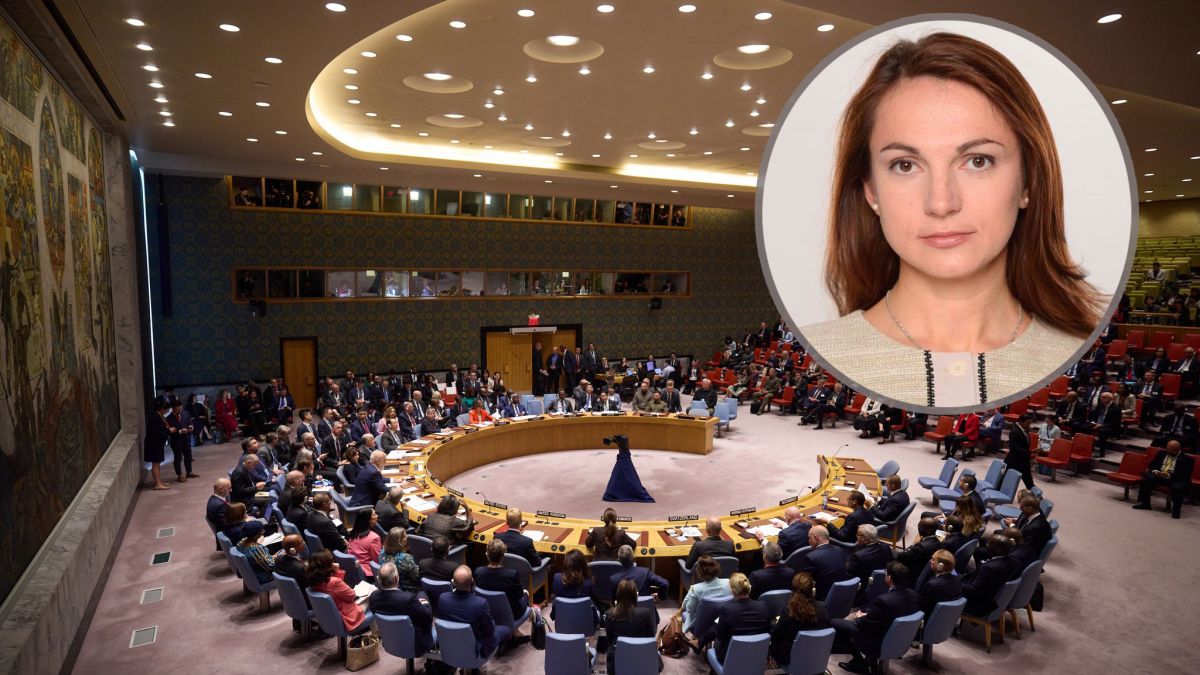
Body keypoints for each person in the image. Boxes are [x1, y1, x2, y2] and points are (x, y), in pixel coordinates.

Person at [801, 33, 1103, 408]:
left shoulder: (1081, 354)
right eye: (905, 165)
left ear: (1027, 182)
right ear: (871, 191)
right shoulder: (815, 352)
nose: (941, 203)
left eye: (978, 161)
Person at [831, 561, 918, 674]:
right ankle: (868, 661)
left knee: (835, 623)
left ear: (889, 578)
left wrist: (859, 617)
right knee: (866, 612)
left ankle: (859, 662)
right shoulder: (913, 595)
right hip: (898, 639)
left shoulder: (885, 600)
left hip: (876, 641)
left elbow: (865, 624)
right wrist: (868, 614)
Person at [439, 565, 510, 658]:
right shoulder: (480, 603)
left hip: (450, 643)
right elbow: (489, 631)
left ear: (453, 582)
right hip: (475, 647)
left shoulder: (443, 598)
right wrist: (492, 621)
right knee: (506, 629)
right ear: (472, 581)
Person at [700, 572, 772, 663]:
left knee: (716, 629)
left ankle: (700, 643)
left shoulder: (727, 609)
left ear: (732, 590)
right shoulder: (763, 605)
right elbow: (767, 630)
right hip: (757, 654)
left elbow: (720, 637)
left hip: (730, 657)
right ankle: (700, 642)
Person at [369, 562, 435, 656]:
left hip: (391, 642)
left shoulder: (373, 597)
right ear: (396, 578)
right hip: (417, 645)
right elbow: (427, 615)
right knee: (422, 594)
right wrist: (424, 602)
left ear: (378, 579)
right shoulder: (408, 599)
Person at [769, 572, 831, 666]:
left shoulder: (789, 612)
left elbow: (777, 635)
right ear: (812, 590)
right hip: (816, 656)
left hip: (791, 658)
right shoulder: (822, 609)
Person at [605, 579, 662, 675]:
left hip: (617, 661)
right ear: (635, 595)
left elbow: (609, 640)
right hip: (642, 659)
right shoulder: (645, 613)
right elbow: (650, 638)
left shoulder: (609, 614)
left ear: (618, 595)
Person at [307, 550, 369, 632]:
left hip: (332, 617)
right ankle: (375, 632)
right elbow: (351, 595)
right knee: (373, 594)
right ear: (328, 565)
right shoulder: (334, 582)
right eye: (332, 561)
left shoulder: (313, 580)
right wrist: (337, 573)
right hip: (348, 617)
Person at [1133, 440, 1194, 519]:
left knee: (1178, 488)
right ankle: (1145, 504)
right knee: (1145, 481)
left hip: (1175, 479)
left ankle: (1176, 510)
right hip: (1160, 476)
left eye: (1171, 450)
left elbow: (1185, 475)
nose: (1168, 451)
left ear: (1178, 449)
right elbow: (1152, 465)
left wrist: (1168, 475)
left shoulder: (1187, 459)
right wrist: (1156, 471)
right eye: (1168, 449)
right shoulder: (1161, 453)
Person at [961, 534, 1020, 617]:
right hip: (992, 601)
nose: (987, 545)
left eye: (989, 543)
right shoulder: (1015, 563)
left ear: (998, 550)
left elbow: (973, 591)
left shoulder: (988, 568)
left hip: (976, 606)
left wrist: (956, 583)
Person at [474, 539, 528, 621]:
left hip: (487, 610)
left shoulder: (478, 572)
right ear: (503, 556)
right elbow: (519, 595)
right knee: (526, 593)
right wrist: (525, 593)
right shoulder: (512, 574)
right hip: (511, 614)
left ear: (487, 555)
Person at [682, 555, 732, 634]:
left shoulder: (696, 589)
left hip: (701, 625)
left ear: (699, 571)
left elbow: (689, 610)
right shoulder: (729, 582)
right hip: (722, 621)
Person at [799, 525, 849, 599]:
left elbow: (806, 584)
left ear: (815, 538)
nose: (808, 541)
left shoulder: (811, 557)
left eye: (809, 538)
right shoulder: (839, 550)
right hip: (842, 593)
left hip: (823, 598)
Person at [916, 550, 962, 620]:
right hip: (946, 619)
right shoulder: (958, 578)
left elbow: (921, 607)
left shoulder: (932, 585)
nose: (930, 561)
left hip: (927, 620)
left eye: (933, 559)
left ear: (940, 566)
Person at [235, 520, 279, 584]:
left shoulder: (241, 543)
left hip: (254, 572)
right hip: (265, 576)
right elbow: (270, 566)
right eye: (262, 530)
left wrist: (274, 556)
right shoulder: (255, 549)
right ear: (256, 535)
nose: (263, 531)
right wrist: (277, 556)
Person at [144, 400, 172, 490]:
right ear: (162, 409)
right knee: (155, 463)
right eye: (167, 409)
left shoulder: (159, 416)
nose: (168, 411)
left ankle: (158, 481)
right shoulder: (155, 417)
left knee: (157, 462)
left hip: (157, 443)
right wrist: (169, 431)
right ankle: (157, 484)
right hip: (154, 444)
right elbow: (157, 432)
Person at [346, 507, 381, 578]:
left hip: (354, 569)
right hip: (369, 573)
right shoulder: (374, 538)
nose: (377, 516)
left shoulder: (353, 533)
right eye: (374, 514)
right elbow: (377, 560)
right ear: (369, 520)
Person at [1004, 413, 1037, 489]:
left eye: (1030, 423)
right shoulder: (1014, 432)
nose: (1029, 425)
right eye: (1028, 423)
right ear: (1021, 422)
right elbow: (1014, 447)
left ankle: (1036, 495)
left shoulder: (1026, 429)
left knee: (1029, 482)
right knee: (1004, 480)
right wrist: (1030, 452)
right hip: (1013, 460)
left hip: (1023, 460)